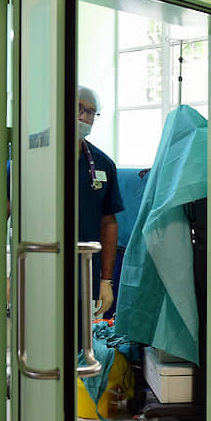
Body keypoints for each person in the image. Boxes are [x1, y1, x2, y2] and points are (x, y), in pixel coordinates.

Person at [77, 85, 123, 327]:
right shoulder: (32, 154)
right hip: (38, 264)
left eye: (91, 112)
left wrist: (106, 281)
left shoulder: (103, 164)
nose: (84, 117)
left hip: (85, 272)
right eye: (78, 108)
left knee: (77, 337)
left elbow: (108, 223)